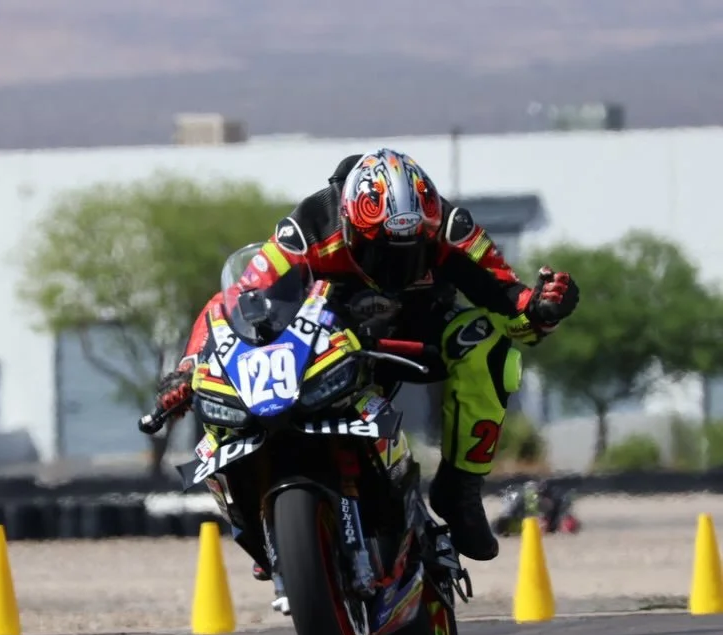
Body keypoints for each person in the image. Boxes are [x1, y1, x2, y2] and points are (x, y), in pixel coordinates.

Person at [154, 148, 579, 591]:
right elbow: (235, 303)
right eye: (378, 249)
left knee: (488, 344)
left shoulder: (453, 229)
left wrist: (546, 307)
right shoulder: (308, 227)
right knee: (220, 386)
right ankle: (253, 520)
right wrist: (189, 369)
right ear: (351, 223)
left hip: (416, 334)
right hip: (325, 340)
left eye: (409, 251)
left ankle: (460, 486)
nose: (394, 265)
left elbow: (514, 307)